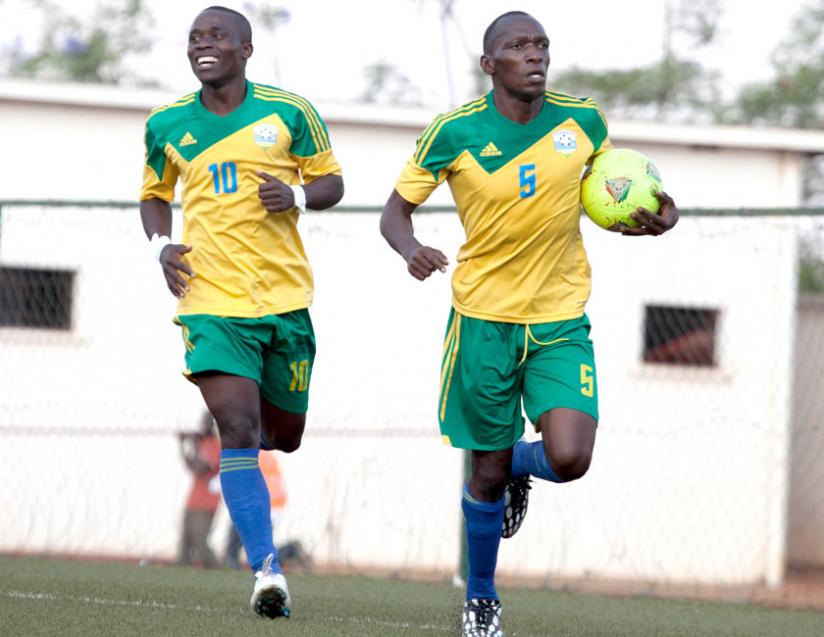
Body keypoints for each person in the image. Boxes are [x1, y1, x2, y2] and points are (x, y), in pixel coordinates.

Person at [379, 11, 678, 637]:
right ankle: (481, 598)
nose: (534, 55)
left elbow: (615, 191)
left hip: (560, 317)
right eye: (517, 47)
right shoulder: (453, 132)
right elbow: (394, 215)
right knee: (483, 474)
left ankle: (517, 463)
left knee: (569, 458)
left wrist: (659, 214)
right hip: (482, 320)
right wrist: (411, 251)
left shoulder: (584, 121)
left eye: (541, 45)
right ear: (490, 65)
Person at [139, 5, 343, 619]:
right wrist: (161, 244)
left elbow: (332, 182)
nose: (204, 45)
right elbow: (153, 196)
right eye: (195, 38)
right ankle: (266, 572)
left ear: (245, 49)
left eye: (217, 36)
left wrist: (299, 195)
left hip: (284, 304)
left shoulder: (289, 111)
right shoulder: (168, 123)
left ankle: (263, 546)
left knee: (284, 435)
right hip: (211, 303)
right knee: (237, 431)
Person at [177, 411, 221, 569]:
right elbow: (190, 466)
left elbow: (202, 468)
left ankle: (217, 569)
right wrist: (182, 446)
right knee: (185, 542)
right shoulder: (201, 443)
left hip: (207, 502)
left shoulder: (215, 445)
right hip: (193, 500)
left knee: (200, 540)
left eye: (208, 422)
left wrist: (194, 445)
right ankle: (182, 570)